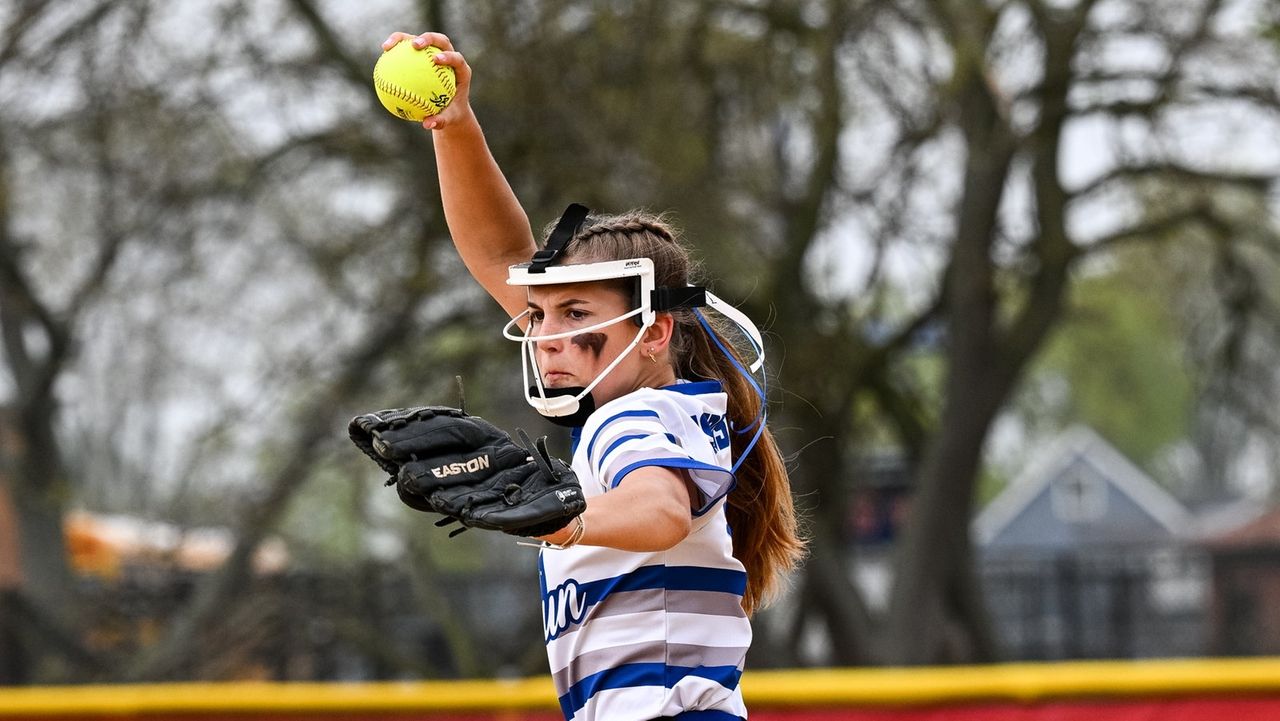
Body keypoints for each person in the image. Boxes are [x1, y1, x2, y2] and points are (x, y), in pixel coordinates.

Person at [380, 31, 805, 721]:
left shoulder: (639, 416)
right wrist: (453, 127)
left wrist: (567, 517)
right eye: (539, 315)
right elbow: (502, 253)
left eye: (574, 313)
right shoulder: (645, 406)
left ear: (654, 330)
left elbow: (661, 507)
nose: (547, 334)